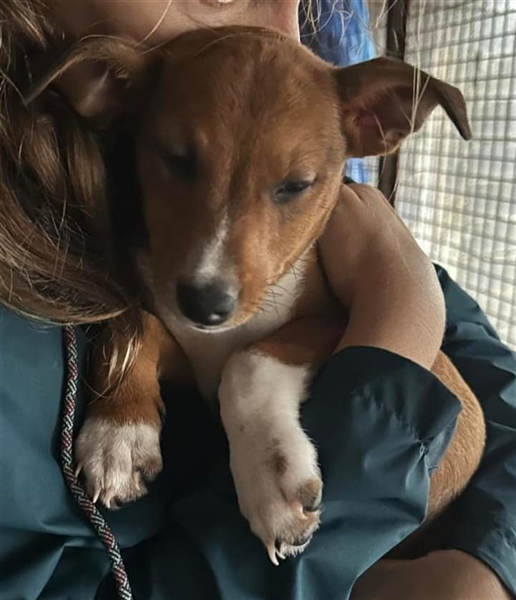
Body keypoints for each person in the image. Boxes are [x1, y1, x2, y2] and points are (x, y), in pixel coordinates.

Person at [0, 1, 514, 599]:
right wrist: (398, 319)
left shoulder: (345, 222)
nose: (284, 32)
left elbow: (495, 390)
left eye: (292, 187)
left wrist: (490, 563)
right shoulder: (36, 323)